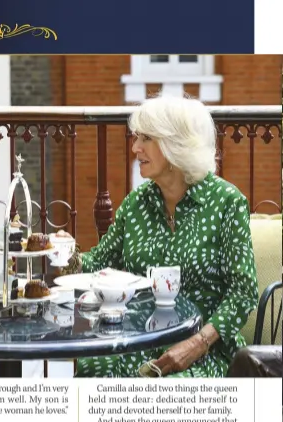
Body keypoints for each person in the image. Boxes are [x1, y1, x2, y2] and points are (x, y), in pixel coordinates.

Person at [77, 94, 258, 378]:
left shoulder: (226, 202)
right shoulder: (136, 203)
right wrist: (60, 255)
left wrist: (196, 345)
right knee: (93, 371)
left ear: (177, 145)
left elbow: (243, 292)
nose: (135, 147)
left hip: (205, 348)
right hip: (139, 342)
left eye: (146, 138)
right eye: (137, 138)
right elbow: (97, 263)